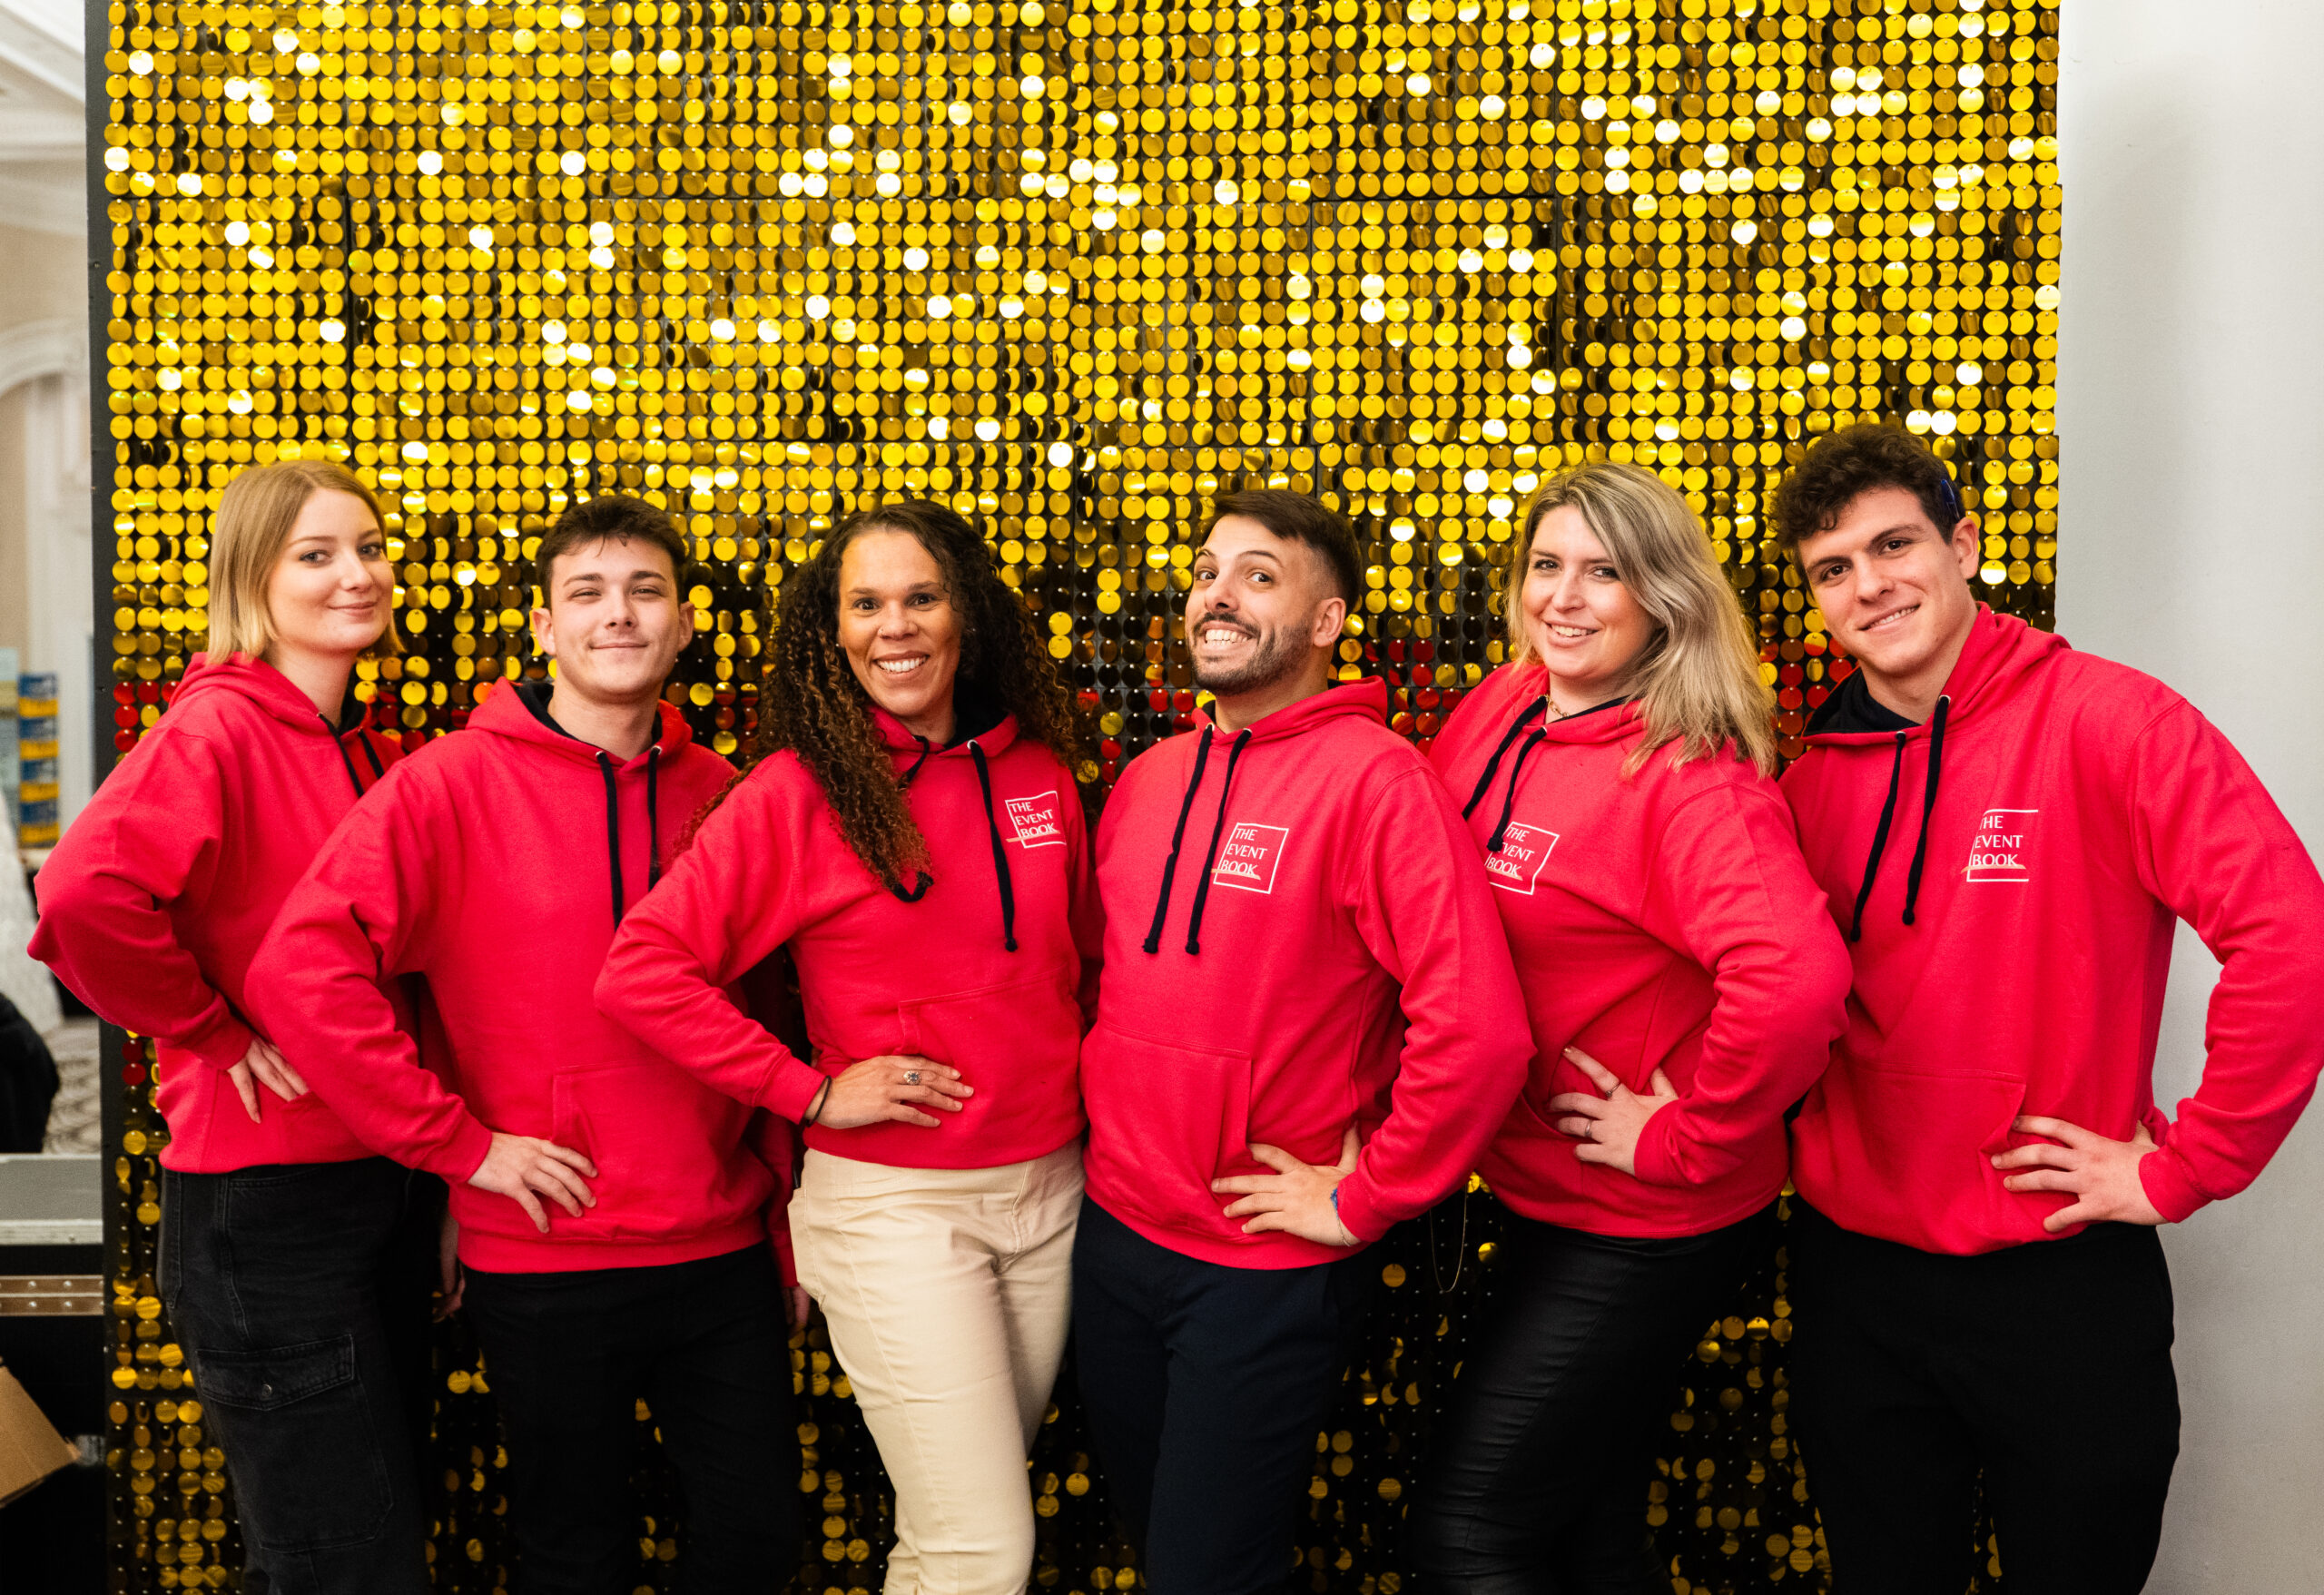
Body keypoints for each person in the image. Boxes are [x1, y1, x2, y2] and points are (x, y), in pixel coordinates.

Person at [1773, 423, 2324, 1593]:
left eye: (1893, 545)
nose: (1868, 585)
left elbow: (2290, 934)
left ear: (1963, 545)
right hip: (1852, 1277)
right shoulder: (1806, 777)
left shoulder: (2112, 721)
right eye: (1833, 568)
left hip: (2059, 1276)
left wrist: (2187, 1166)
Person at [246, 495, 801, 1595]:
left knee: (758, 1543)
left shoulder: (728, 795)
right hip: (544, 1253)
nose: (618, 614)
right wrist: (459, 1148)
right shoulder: (446, 786)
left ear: (686, 622)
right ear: (544, 627)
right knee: (570, 1556)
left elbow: (776, 1016)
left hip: (719, 1248)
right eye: (586, 593)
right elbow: (297, 973)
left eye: (645, 591)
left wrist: (783, 1227)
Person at [593, 499, 1098, 1595]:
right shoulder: (798, 791)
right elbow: (641, 969)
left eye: (920, 597)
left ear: (966, 613)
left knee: (951, 1534)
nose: (894, 626)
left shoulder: (1039, 774)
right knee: (982, 1549)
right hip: (897, 1211)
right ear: (832, 632)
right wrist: (809, 1092)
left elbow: (1083, 969)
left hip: (1053, 1196)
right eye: (864, 604)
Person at [1070, 489, 1530, 1595]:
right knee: (1157, 1547)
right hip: (1112, 1236)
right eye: (1206, 571)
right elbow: (1096, 984)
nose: (1217, 594)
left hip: (1259, 1266)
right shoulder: (1149, 778)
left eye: (1259, 575)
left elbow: (1477, 1027)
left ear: (1328, 621)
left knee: (1207, 1575)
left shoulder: (1379, 781)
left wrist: (1368, 1194)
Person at [1405, 462, 1851, 1590]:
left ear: (1661, 597)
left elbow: (1795, 982)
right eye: (1545, 565)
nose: (1563, 596)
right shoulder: (1505, 706)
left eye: (1602, 572)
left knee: (1470, 1534)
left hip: (1642, 1221)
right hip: (1532, 1188)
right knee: (1584, 1530)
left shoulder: (1690, 778)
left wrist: (1684, 1134)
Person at [28, 460, 431, 1594]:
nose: (357, 574)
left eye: (369, 547)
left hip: (377, 1180)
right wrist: (211, 1030)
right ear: (253, 579)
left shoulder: (366, 746)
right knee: (343, 1564)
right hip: (267, 1205)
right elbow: (81, 897)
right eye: (317, 554)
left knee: (351, 1549)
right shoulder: (217, 728)